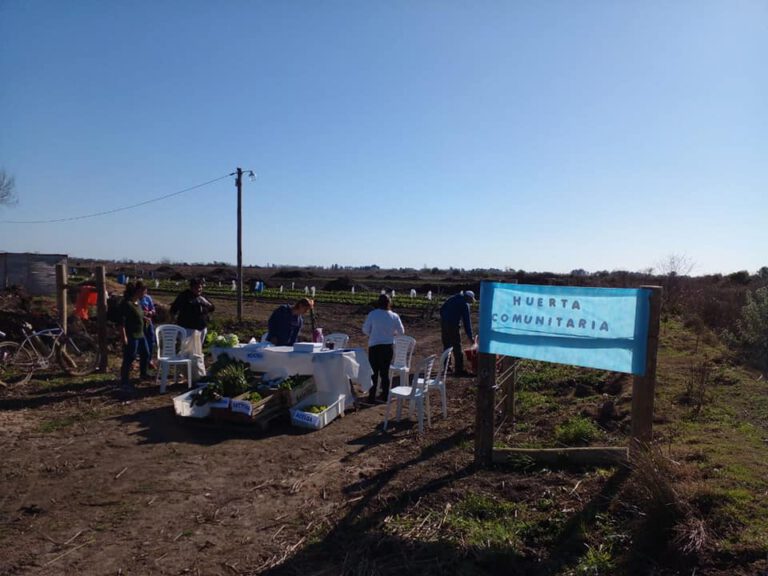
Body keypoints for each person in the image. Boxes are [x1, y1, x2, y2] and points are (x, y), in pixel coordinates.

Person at [362, 293, 405, 403]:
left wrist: (373, 334)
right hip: (387, 347)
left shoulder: (372, 314)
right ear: (389, 303)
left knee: (373, 372)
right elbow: (401, 332)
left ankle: (371, 396)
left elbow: (365, 330)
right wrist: (393, 333)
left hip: (374, 347)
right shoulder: (394, 316)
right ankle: (385, 395)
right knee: (385, 373)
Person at [119, 282, 151, 393]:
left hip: (141, 334)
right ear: (138, 291)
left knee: (145, 353)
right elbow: (121, 322)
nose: (146, 294)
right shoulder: (126, 304)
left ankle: (143, 374)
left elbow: (138, 315)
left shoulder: (137, 303)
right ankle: (124, 381)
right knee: (130, 357)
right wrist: (124, 336)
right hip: (131, 335)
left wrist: (145, 319)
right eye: (144, 291)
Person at [440, 290, 476, 377]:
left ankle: (447, 367)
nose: (471, 302)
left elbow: (442, 309)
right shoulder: (464, 304)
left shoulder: (453, 298)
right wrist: (470, 337)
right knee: (457, 347)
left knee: (446, 346)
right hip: (453, 325)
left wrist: (445, 320)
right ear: (468, 298)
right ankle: (459, 370)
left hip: (444, 324)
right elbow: (467, 322)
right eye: (471, 300)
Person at [170, 278, 215, 346]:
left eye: (200, 287)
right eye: (196, 288)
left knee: (198, 349)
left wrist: (206, 303)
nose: (198, 289)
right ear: (191, 288)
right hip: (187, 328)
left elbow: (212, 308)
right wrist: (174, 322)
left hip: (201, 328)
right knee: (187, 350)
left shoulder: (202, 296)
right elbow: (173, 309)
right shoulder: (184, 296)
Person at [136, 281, 157, 367]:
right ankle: (138, 359)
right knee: (140, 342)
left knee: (151, 340)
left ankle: (149, 360)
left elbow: (153, 309)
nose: (144, 293)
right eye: (142, 291)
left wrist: (151, 312)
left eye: (145, 291)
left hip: (148, 322)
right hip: (139, 324)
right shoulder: (135, 299)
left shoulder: (148, 298)